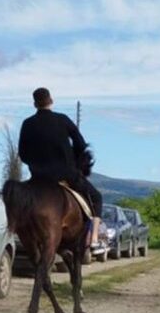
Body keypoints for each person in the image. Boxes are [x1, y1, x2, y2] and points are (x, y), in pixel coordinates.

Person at [17, 87, 102, 224]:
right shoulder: (63, 120)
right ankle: (94, 235)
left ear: (35, 104)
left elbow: (23, 154)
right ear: (51, 101)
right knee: (96, 197)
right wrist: (73, 159)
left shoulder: (27, 124)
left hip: (38, 178)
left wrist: (37, 165)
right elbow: (81, 144)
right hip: (66, 175)